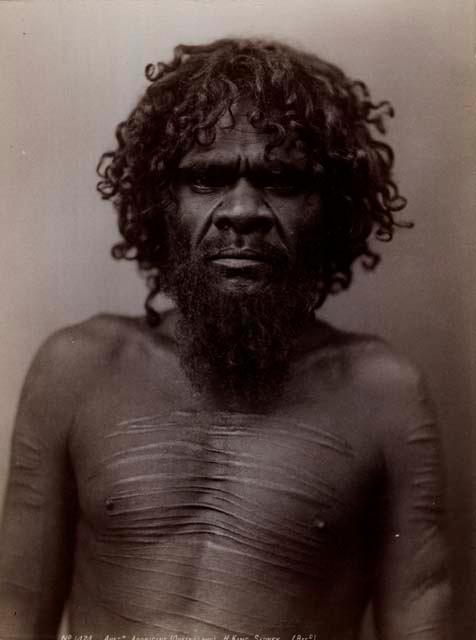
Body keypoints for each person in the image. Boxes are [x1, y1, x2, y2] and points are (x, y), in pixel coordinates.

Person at [0, 38, 450, 640]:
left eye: (283, 180)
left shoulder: (384, 392)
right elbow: (15, 611)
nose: (243, 211)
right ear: (162, 205)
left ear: (334, 210)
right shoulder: (76, 369)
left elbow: (422, 611)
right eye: (207, 178)